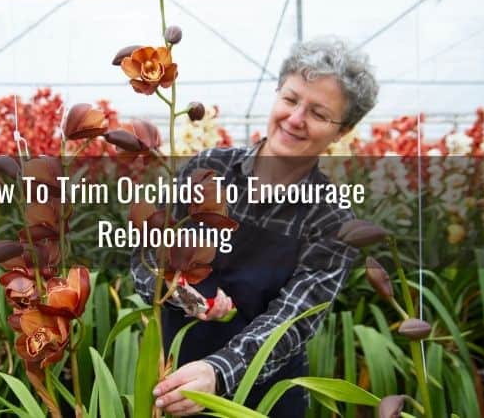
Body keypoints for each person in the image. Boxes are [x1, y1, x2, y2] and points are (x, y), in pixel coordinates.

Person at [131, 37, 379, 417]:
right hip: (170, 381)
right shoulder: (208, 168)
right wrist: (182, 294)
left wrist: (218, 372)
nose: (296, 119)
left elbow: (292, 322)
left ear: (342, 131)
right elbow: (145, 256)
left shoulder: (332, 218)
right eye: (291, 99)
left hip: (264, 399)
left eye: (318, 113)